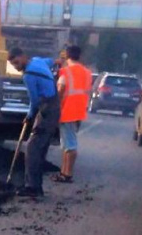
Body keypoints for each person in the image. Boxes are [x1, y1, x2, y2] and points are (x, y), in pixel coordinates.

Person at [8, 47, 60, 198]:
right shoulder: (38, 61)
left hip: (46, 109)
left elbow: (35, 101)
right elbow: (51, 61)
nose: (16, 67)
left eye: (17, 63)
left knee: (32, 148)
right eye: (13, 65)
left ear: (23, 57)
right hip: (55, 107)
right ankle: (37, 186)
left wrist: (29, 117)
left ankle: (33, 187)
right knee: (40, 148)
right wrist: (57, 62)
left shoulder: (29, 75)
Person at [52, 45, 92, 183]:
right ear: (80, 56)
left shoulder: (66, 72)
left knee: (70, 145)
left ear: (66, 56)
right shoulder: (87, 73)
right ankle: (63, 172)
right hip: (79, 111)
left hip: (66, 111)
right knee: (66, 145)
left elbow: (60, 92)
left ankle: (67, 174)